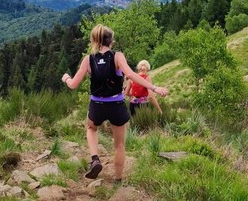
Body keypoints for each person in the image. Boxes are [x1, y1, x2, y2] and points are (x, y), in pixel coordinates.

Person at [61, 24, 168, 182]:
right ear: (111, 41)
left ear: (95, 40)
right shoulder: (117, 56)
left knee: (91, 128)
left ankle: (95, 159)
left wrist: (66, 78)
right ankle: (118, 179)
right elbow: (131, 75)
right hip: (116, 106)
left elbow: (73, 85)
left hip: (97, 105)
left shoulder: (88, 60)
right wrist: (154, 87)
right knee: (119, 145)